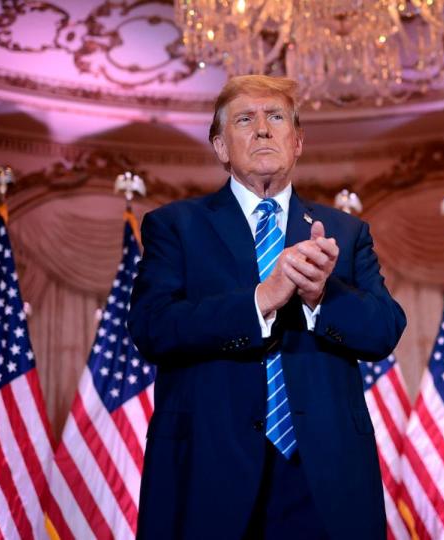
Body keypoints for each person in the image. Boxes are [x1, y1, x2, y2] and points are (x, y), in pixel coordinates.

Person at [128, 75, 407, 539]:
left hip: (324, 478)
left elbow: (383, 330)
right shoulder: (175, 226)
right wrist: (260, 299)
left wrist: (322, 296)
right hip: (207, 471)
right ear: (220, 147)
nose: (262, 129)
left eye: (275, 117)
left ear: (297, 142)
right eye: (245, 119)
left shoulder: (345, 231)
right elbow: (152, 327)